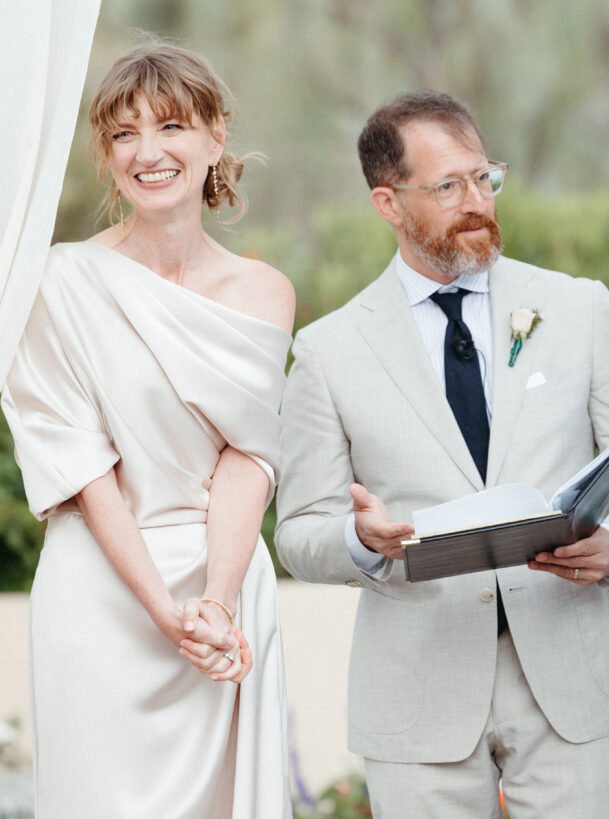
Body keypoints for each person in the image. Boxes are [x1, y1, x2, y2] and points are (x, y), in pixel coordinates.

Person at [275, 90, 609, 817]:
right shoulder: (327, 351)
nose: (476, 201)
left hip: (573, 668)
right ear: (388, 204)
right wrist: (357, 540)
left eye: (484, 178)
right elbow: (300, 528)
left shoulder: (581, 307)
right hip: (417, 686)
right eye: (447, 186)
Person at [1, 44, 295, 817]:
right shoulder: (55, 283)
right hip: (101, 595)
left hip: (222, 586)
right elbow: (80, 467)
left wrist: (217, 603)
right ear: (106, 153)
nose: (150, 151)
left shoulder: (264, 291)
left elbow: (247, 457)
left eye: (171, 125)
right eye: (125, 133)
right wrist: (164, 611)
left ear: (216, 136)